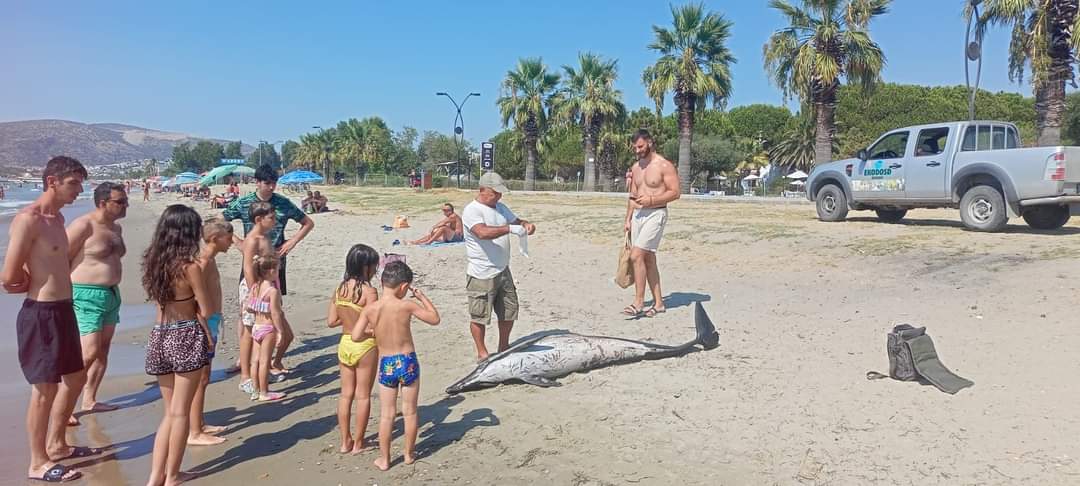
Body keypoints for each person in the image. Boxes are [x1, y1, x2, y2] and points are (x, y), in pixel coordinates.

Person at [1, 156, 91, 483]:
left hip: (64, 309)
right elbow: (8, 275)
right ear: (52, 181)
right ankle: (37, 462)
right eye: (73, 183)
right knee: (45, 389)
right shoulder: (29, 220)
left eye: (80, 183)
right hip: (41, 314)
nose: (78, 190)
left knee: (76, 377)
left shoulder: (58, 219)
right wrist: (32, 283)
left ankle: (57, 444)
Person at [142, 204, 213, 485]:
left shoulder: (153, 261)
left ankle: (154, 477)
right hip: (184, 334)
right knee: (181, 412)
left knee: (169, 413)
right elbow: (205, 310)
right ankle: (172, 475)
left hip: (159, 334)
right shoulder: (190, 266)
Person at [223, 164, 312, 379]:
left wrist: (291, 242)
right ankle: (243, 359)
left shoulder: (282, 203)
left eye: (274, 183)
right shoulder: (244, 203)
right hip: (251, 265)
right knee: (247, 311)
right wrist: (239, 243)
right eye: (267, 183)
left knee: (271, 309)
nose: (271, 187)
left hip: (274, 266)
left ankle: (265, 359)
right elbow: (221, 221)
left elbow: (307, 223)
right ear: (257, 182)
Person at [351, 261, 440, 471]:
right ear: (403, 286)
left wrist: (372, 333)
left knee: (387, 414)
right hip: (407, 360)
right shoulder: (406, 305)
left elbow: (355, 336)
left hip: (387, 362)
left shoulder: (371, 309)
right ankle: (408, 454)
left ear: (382, 282)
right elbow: (434, 319)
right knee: (409, 411)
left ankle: (385, 459)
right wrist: (421, 297)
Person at [66, 182, 127, 425]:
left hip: (111, 294)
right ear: (103, 202)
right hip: (85, 294)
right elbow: (62, 257)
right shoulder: (83, 225)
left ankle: (89, 399)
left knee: (103, 350)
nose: (125, 206)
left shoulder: (116, 228)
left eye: (125, 201)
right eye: (120, 202)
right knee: (88, 352)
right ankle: (65, 404)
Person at [462, 172, 536, 361]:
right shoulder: (472, 211)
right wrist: (508, 229)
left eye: (500, 193)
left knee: (509, 310)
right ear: (482, 190)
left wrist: (526, 225)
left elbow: (516, 221)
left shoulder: (501, 208)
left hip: (503, 269)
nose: (498, 196)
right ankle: (482, 352)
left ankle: (504, 346)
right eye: (495, 193)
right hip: (481, 272)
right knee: (479, 315)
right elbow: (482, 233)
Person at [327, 244, 380, 454]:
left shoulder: (339, 289)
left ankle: (344, 441)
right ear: (366, 267)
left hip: (345, 343)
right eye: (374, 266)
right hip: (365, 345)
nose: (376, 270)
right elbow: (374, 324)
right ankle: (359, 442)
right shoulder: (370, 291)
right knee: (363, 395)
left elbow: (331, 321)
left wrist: (348, 317)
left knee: (345, 394)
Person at [623, 129, 680, 318]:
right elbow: (632, 196)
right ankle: (659, 303)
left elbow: (675, 192)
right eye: (635, 148)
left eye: (640, 146)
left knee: (636, 255)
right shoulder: (636, 167)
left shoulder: (664, 165)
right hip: (639, 215)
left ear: (649, 143)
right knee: (648, 259)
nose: (637, 151)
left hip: (656, 213)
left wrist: (651, 200)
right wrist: (628, 219)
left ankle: (638, 302)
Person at [188, 218, 234, 446]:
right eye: (229, 237)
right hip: (203, 323)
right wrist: (206, 332)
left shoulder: (211, 259)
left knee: (204, 378)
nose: (232, 242)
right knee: (201, 378)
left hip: (212, 320)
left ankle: (199, 422)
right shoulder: (203, 261)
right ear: (215, 239)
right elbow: (195, 303)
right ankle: (194, 431)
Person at [235, 201, 285, 396]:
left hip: (265, 288)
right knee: (250, 331)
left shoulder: (265, 236)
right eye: (271, 218)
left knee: (263, 330)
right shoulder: (253, 239)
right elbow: (248, 268)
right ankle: (246, 377)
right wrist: (254, 291)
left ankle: (259, 375)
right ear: (258, 219)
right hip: (255, 290)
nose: (275, 221)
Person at [246, 251, 288, 402]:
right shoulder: (272, 291)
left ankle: (255, 390)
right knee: (264, 361)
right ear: (271, 271)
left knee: (255, 361)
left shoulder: (255, 287)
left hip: (256, 327)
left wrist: (259, 307)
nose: (278, 273)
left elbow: (249, 307)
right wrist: (280, 332)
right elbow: (276, 314)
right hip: (268, 328)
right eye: (277, 270)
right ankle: (264, 391)